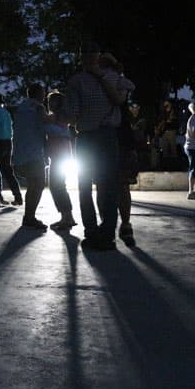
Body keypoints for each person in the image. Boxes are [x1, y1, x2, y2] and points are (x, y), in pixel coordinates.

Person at [64, 41, 129, 251]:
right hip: (102, 137)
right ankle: (103, 234)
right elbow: (119, 100)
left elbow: (71, 116)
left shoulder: (82, 81)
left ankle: (96, 232)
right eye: (88, 51)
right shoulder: (109, 78)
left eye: (90, 51)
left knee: (91, 187)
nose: (89, 55)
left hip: (90, 136)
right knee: (104, 186)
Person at [101, 53, 138, 246]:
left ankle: (114, 225)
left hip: (114, 136)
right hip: (121, 136)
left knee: (106, 185)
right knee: (121, 185)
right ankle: (123, 224)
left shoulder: (112, 81)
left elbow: (121, 97)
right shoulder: (118, 81)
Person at [12, 83, 48, 229]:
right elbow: (44, 126)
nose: (45, 95)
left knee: (32, 185)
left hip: (21, 153)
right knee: (38, 185)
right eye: (43, 92)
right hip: (34, 153)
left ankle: (28, 216)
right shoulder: (39, 108)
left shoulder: (21, 108)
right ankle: (29, 217)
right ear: (39, 94)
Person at [45, 91, 76, 230]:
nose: (50, 104)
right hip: (59, 154)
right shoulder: (58, 116)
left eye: (53, 101)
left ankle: (67, 217)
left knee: (57, 185)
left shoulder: (60, 116)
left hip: (60, 154)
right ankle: (66, 216)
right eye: (49, 101)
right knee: (57, 185)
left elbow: (47, 123)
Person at [155, 100, 179, 170]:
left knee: (173, 149)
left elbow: (174, 121)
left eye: (167, 104)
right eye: (165, 104)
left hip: (171, 131)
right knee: (164, 148)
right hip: (164, 132)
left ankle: (174, 166)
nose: (165, 105)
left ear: (170, 104)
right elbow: (161, 120)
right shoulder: (163, 112)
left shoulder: (174, 111)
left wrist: (167, 122)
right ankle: (165, 166)